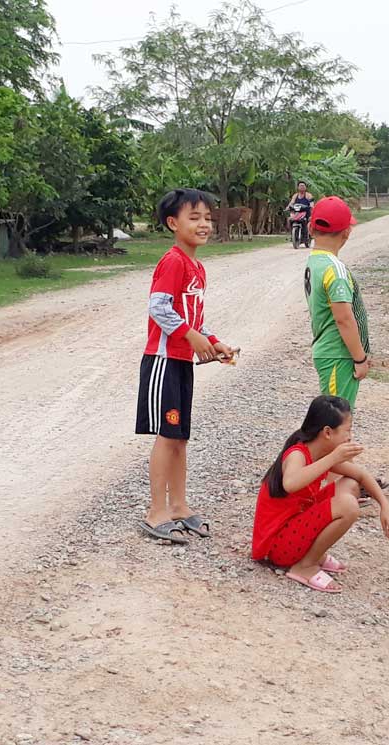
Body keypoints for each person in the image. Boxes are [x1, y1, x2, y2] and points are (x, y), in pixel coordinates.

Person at [136, 188, 236, 544]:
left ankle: (179, 505)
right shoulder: (173, 261)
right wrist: (190, 336)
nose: (204, 224)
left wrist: (212, 342)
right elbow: (159, 308)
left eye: (207, 218)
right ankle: (155, 510)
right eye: (194, 218)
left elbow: (194, 317)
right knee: (166, 436)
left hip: (182, 363)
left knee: (180, 438)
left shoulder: (198, 267)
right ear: (172, 223)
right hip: (163, 361)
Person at [252, 396, 389, 593]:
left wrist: (385, 506)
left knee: (351, 484)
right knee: (348, 506)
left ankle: (312, 555)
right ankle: (305, 566)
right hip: (276, 546)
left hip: (295, 524)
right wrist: (333, 458)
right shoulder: (298, 454)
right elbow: (291, 483)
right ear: (327, 432)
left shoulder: (321, 453)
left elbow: (361, 475)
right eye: (347, 431)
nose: (350, 437)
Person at [302, 196, 369, 406]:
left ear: (311, 229)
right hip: (338, 355)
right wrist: (360, 358)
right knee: (336, 421)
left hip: (329, 352)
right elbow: (344, 318)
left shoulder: (315, 261)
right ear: (347, 232)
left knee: (336, 420)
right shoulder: (335, 269)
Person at [287, 181, 314, 248]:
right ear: (298, 187)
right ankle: (292, 235)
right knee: (290, 220)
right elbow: (291, 202)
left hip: (306, 213)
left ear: (305, 187)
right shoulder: (295, 195)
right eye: (300, 186)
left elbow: (312, 204)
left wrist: (311, 207)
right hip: (297, 213)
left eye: (303, 186)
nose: (302, 187)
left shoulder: (308, 195)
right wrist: (288, 207)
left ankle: (306, 237)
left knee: (305, 222)